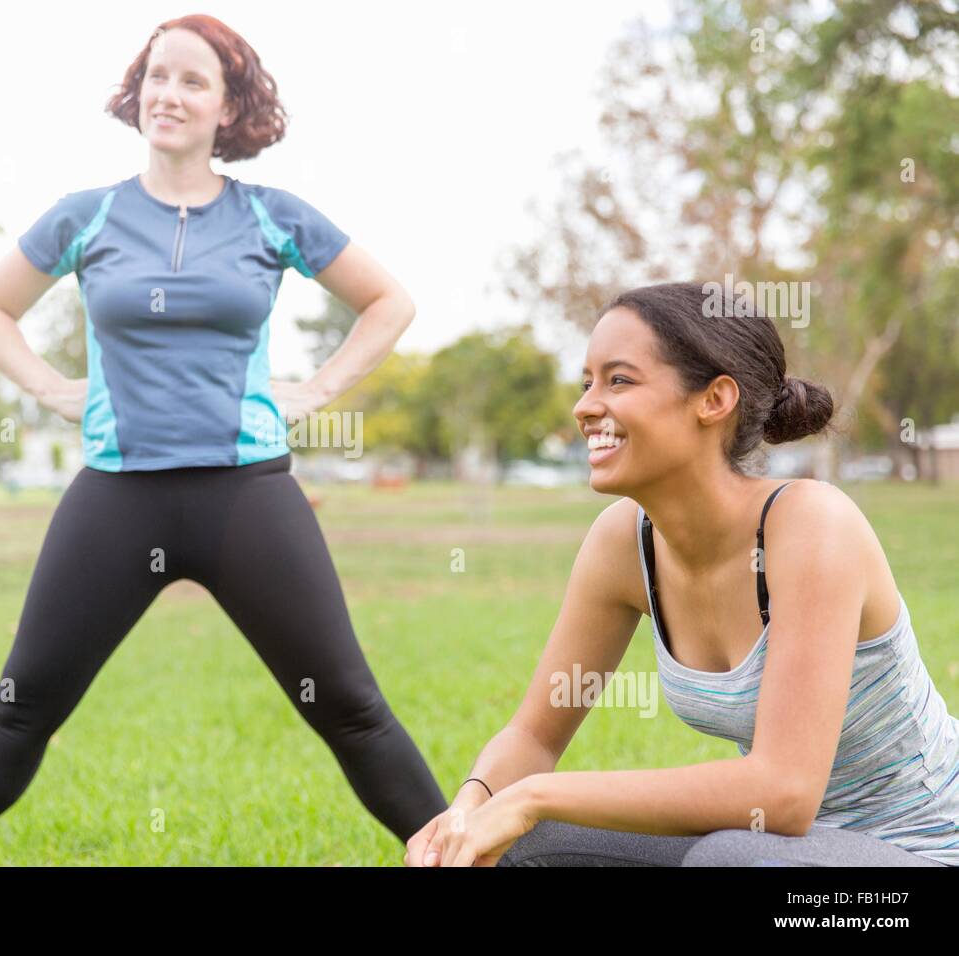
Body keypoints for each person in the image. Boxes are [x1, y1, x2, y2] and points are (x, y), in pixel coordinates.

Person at [0, 14, 446, 867]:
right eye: (156, 76)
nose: (168, 94)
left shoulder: (270, 215)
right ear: (135, 93)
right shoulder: (88, 216)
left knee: (350, 706)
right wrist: (50, 389)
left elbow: (389, 302)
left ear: (229, 108)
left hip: (247, 496)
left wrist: (319, 390)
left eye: (192, 81)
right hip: (117, 497)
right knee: (23, 703)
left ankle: (463, 858)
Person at [406, 282, 959, 868]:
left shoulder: (812, 525)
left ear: (714, 399)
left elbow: (785, 793)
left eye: (619, 380)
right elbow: (534, 738)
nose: (586, 406)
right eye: (586, 382)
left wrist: (537, 796)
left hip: (922, 850)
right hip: (785, 851)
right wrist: (471, 809)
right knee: (522, 849)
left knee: (733, 861)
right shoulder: (623, 543)